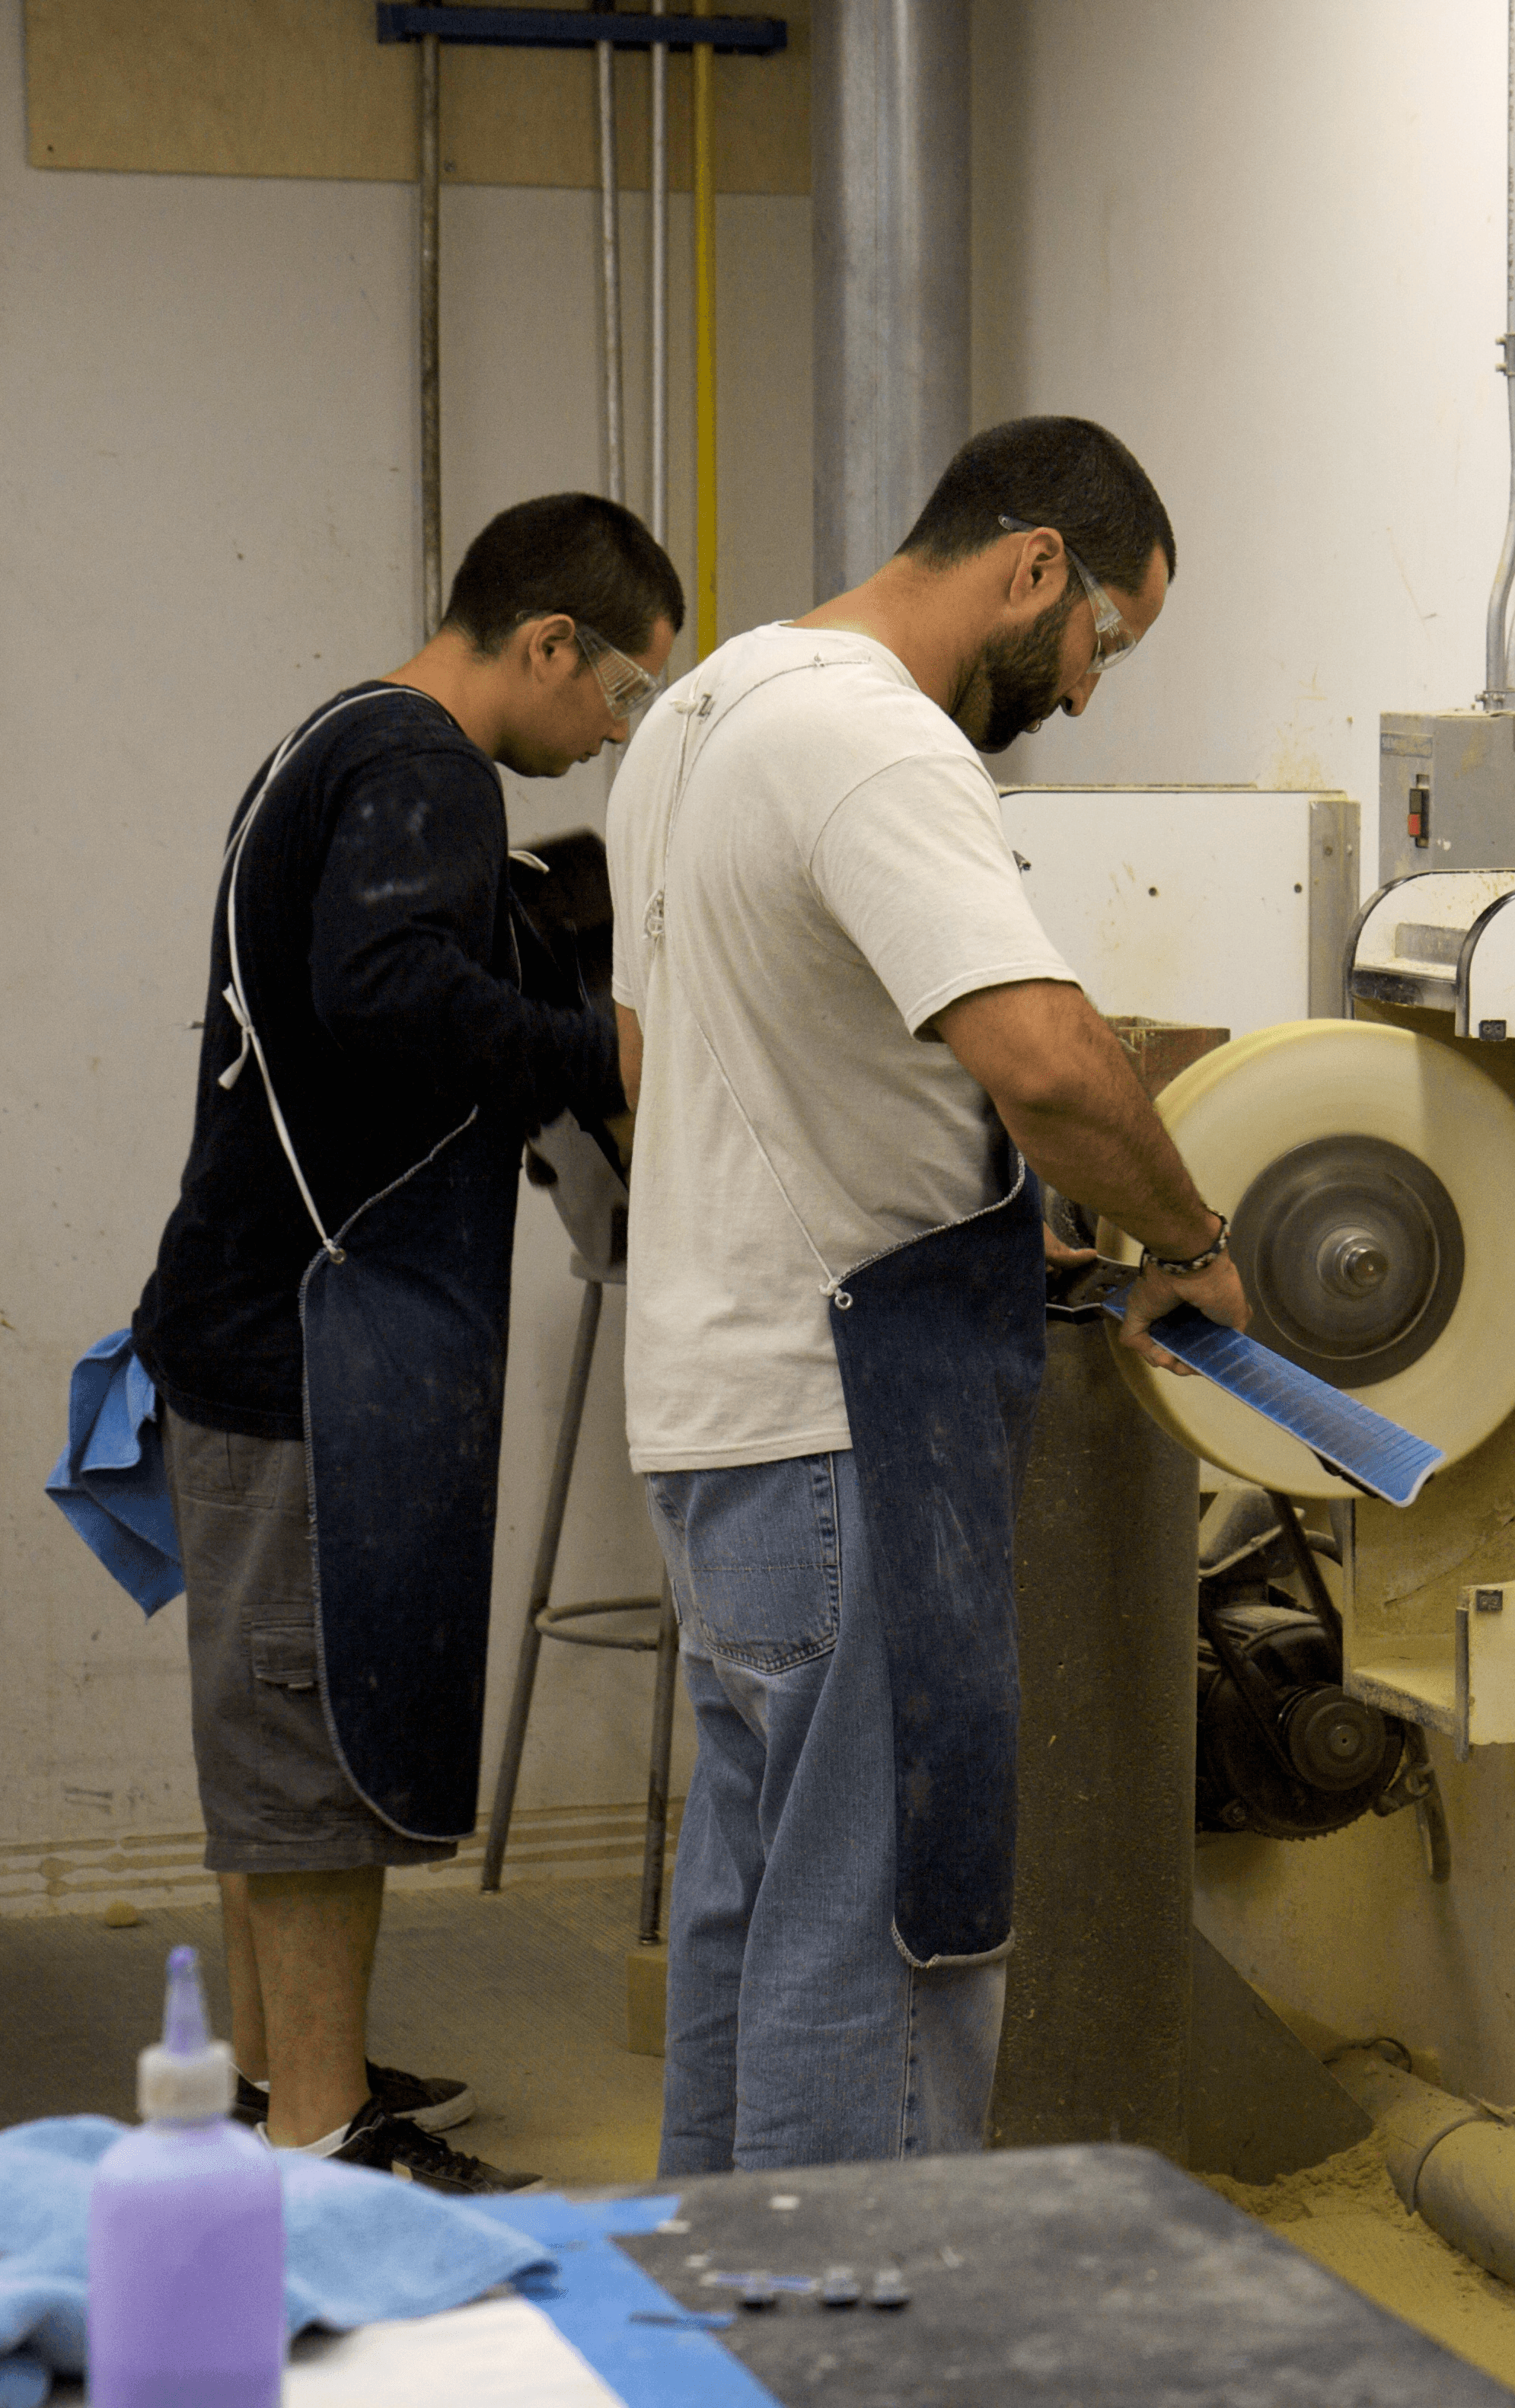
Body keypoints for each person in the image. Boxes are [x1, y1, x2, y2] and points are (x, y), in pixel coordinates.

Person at [606, 416, 1245, 2171]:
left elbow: (667, 1066)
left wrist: (962, 1206)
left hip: (713, 1421)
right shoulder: (874, 745)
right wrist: (1185, 1242)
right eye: (1103, 640)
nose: (1089, 690)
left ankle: (725, 2345)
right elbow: (1049, 1061)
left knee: (748, 1922)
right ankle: (859, 2354)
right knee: (886, 1948)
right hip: (848, 1434)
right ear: (1033, 566)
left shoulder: (698, 717)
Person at [132, 495, 681, 2192]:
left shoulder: (331, 740)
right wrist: (604, 1049)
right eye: (620, 698)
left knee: (268, 1732)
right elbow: (385, 993)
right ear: (546, 645)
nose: (607, 741)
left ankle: (272, 2075)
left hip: (252, 1315)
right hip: (318, 1330)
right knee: (308, 1742)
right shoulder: (428, 767)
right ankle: (321, 2134)